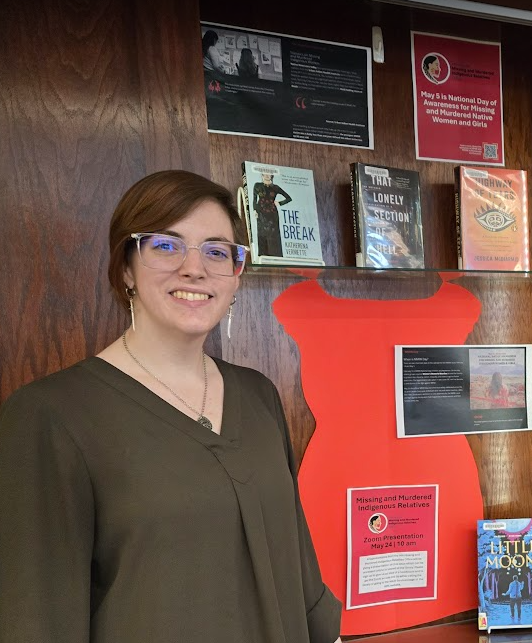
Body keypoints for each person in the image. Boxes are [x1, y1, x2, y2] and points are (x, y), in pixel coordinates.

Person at [0, 170, 342, 642]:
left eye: (218, 251)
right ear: (125, 268)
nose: (194, 268)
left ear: (235, 276)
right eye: (166, 245)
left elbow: (299, 565)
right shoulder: (50, 415)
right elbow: (35, 614)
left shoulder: (257, 395)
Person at [252, 170, 292, 258]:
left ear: (272, 175)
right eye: (265, 173)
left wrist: (280, 203)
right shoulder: (257, 185)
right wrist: (255, 210)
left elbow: (289, 198)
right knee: (262, 234)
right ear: (262, 174)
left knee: (274, 235)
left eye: (268, 174)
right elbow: (254, 199)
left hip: (272, 214)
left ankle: (276, 257)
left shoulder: (275, 187)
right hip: (261, 214)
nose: (266, 175)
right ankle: (262, 257)